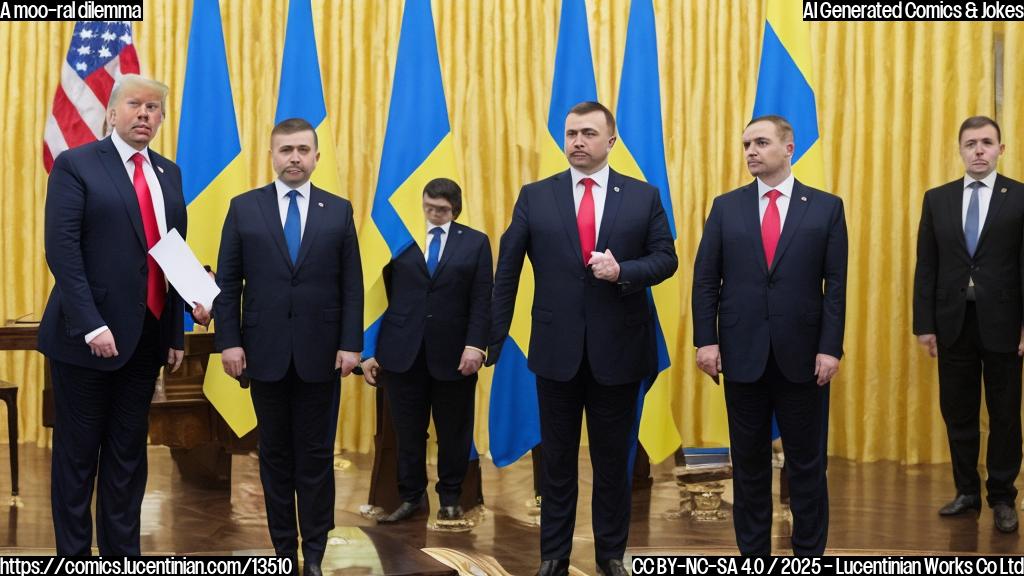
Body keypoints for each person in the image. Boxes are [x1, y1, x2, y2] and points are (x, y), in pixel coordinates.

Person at [488, 101, 677, 576]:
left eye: (589, 133)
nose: (578, 142)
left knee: (614, 462)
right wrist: (489, 336)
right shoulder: (536, 196)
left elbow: (665, 259)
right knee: (556, 463)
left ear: (610, 142)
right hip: (556, 352)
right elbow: (507, 270)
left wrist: (623, 271)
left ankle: (611, 553)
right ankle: (554, 554)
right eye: (571, 133)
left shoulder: (643, 196)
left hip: (620, 351)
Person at [38, 74, 188, 555]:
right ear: (111, 112)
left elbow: (171, 254)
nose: (144, 114)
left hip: (145, 338)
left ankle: (123, 557)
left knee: (127, 456)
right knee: (78, 457)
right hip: (86, 339)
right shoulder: (76, 164)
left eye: (154, 108)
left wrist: (177, 329)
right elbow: (62, 251)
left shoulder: (169, 172)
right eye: (134, 105)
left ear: (162, 118)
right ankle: (75, 557)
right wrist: (92, 323)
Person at [692, 115, 847, 556]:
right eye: (745, 145)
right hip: (742, 355)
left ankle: (808, 554)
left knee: (807, 466)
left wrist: (829, 348)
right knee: (749, 466)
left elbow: (835, 287)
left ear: (788, 147)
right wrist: (706, 340)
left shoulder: (825, 208)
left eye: (760, 142)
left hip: (804, 357)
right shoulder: (726, 207)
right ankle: (754, 555)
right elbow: (706, 280)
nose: (750, 152)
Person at [214, 118, 363, 575]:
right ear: (272, 156)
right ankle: (283, 550)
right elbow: (228, 283)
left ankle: (315, 550)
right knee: (275, 455)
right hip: (264, 354)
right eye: (285, 150)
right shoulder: (244, 208)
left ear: (316, 157)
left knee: (316, 457)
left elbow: (351, 285)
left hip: (323, 355)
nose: (294, 158)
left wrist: (351, 344)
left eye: (302, 149)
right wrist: (229, 343)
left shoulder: (337, 210)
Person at [913, 115, 1023, 533]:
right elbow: (927, 265)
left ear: (1000, 149)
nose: (978, 150)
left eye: (987, 143)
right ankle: (966, 493)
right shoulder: (937, 199)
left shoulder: (1019, 198)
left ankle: (1002, 497)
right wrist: (924, 324)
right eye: (970, 143)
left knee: (1005, 414)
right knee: (957, 412)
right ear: (959, 150)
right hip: (951, 324)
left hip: (1004, 324)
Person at [361, 178, 492, 524]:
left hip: (455, 355)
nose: (434, 215)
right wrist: (369, 349)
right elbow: (377, 296)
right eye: (429, 207)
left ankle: (450, 498)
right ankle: (410, 497)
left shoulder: (476, 243)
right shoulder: (401, 240)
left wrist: (476, 346)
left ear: (455, 210)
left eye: (442, 210)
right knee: (408, 431)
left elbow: (482, 300)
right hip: (402, 353)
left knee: (454, 431)